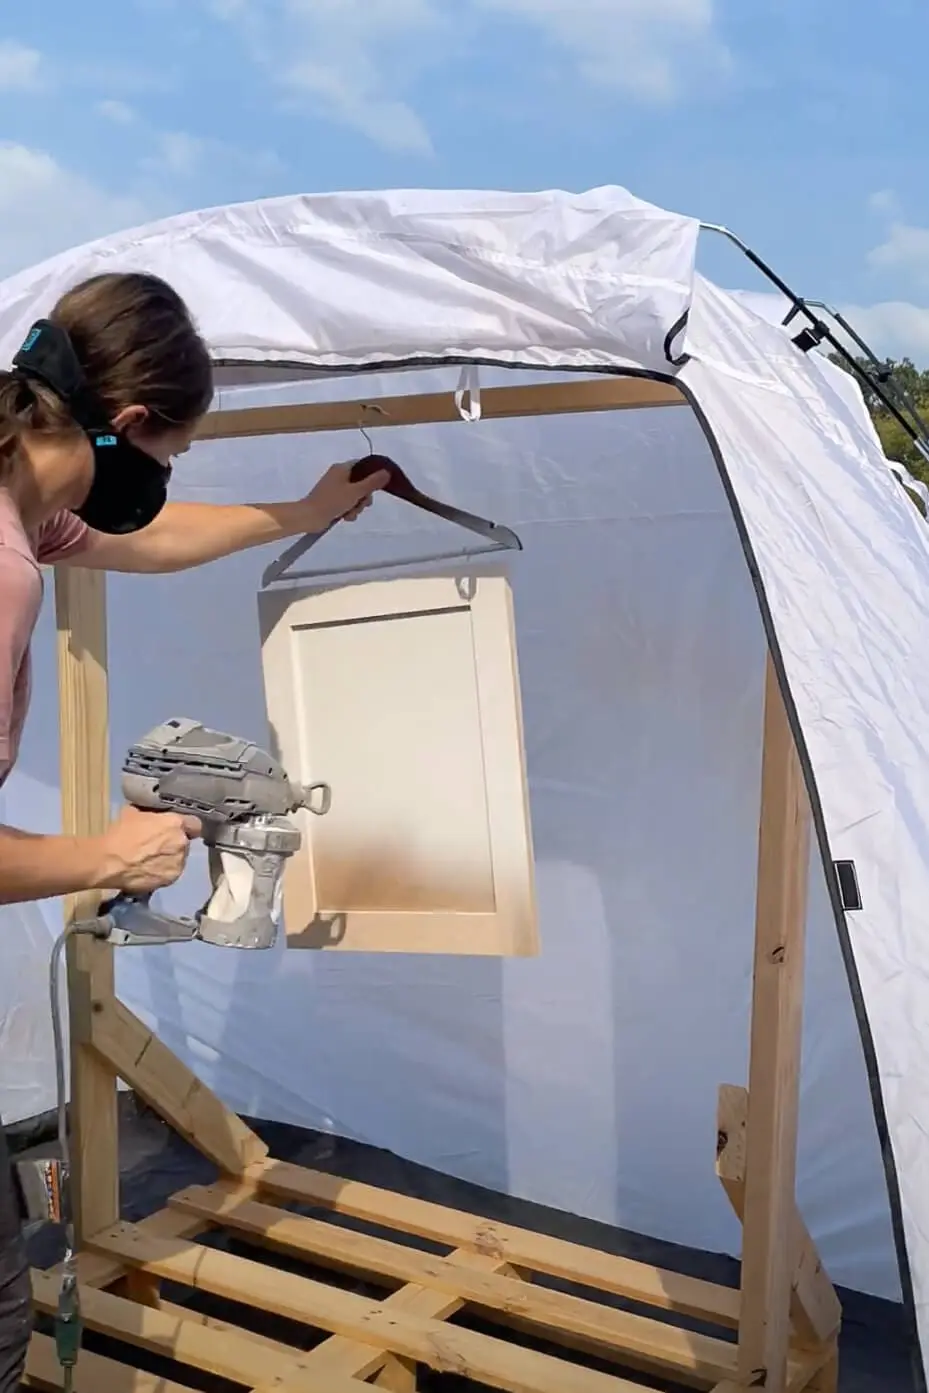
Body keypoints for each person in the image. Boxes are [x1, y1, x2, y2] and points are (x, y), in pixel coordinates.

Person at [0, 269, 388, 1389]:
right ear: (125, 425)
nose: (163, 481)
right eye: (168, 457)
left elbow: (155, 539)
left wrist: (304, 513)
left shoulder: (25, 499)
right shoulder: (7, 567)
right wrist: (108, 856)